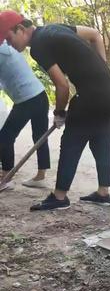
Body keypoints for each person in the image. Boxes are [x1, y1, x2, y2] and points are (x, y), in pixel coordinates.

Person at [0, 10, 110, 211]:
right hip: (109, 88)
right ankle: (103, 192)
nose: (9, 44)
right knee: (101, 138)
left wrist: (59, 113)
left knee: (71, 141)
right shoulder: (54, 28)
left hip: (90, 94)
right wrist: (102, 69)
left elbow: (61, 85)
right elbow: (95, 35)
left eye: (9, 39)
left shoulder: (38, 46)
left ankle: (59, 197)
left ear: (20, 29)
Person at [0, 39, 51, 189]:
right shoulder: (7, 47)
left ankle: (6, 179)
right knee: (40, 137)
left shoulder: (2, 51)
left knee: (5, 137)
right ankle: (41, 176)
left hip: (27, 100)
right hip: (40, 95)